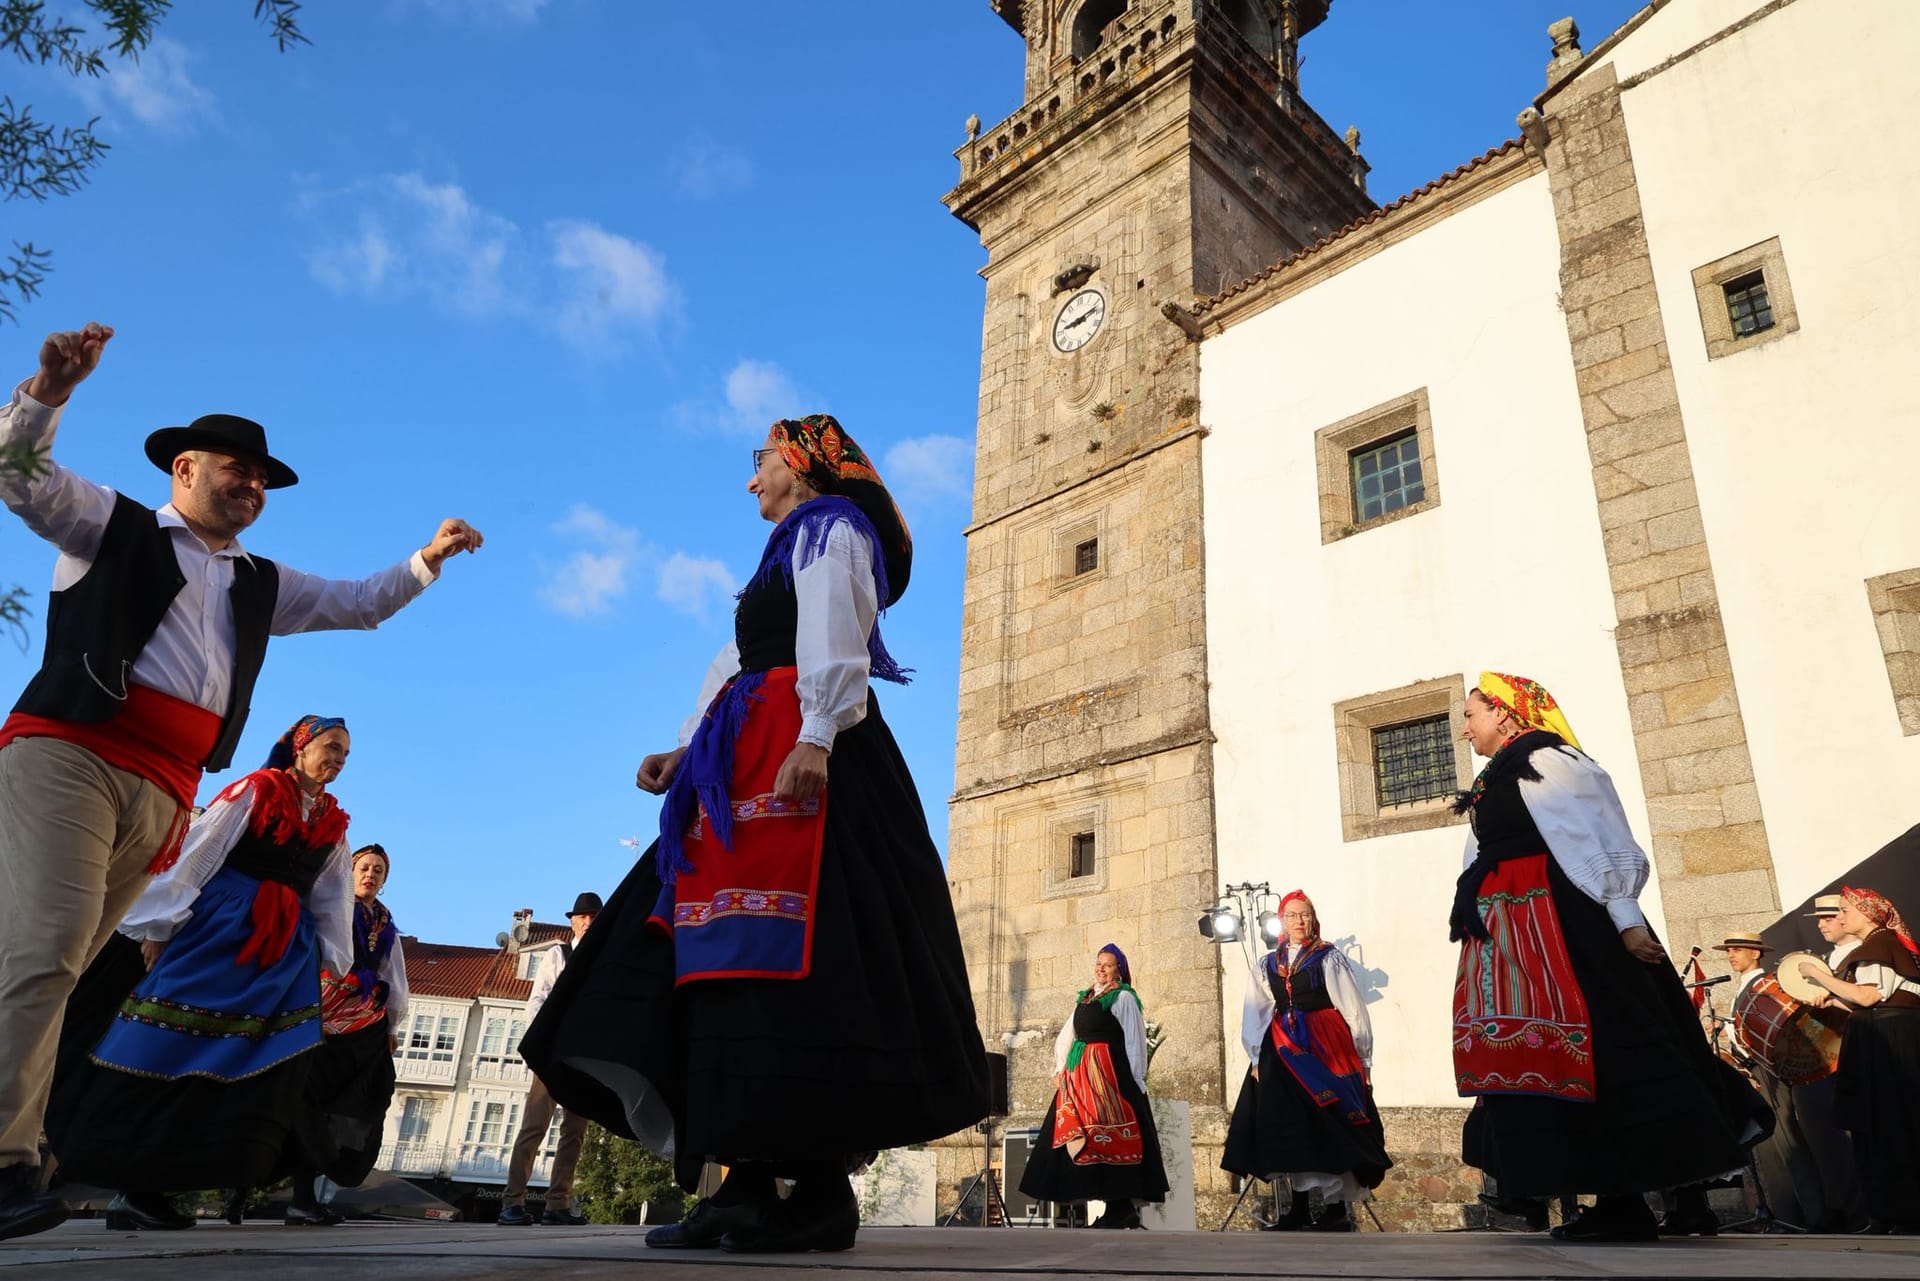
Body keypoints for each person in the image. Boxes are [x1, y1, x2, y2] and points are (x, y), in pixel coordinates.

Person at [0, 323, 481, 1242]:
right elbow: (18, 472)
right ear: (184, 468)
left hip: (165, 784)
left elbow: (357, 602)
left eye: (263, 478)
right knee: (47, 952)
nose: (253, 485)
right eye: (237, 468)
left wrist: (427, 558)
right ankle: (5, 1161)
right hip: (73, 752)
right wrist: (49, 393)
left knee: (60, 970)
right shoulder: (114, 524)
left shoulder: (258, 581)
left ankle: (26, 1150)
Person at [519, 415, 989, 1254]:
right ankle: (741, 1184)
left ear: (802, 464)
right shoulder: (783, 551)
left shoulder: (831, 530)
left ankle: (811, 1191)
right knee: (722, 959)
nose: (751, 479)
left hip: (799, 754)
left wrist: (816, 736)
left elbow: (832, 641)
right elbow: (742, 657)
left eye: (761, 461)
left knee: (800, 960)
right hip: (744, 755)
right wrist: (684, 741)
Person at [1449, 672, 1769, 1243]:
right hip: (1522, 928)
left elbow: (1595, 835)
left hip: (1564, 922)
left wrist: (1623, 917)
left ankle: (1634, 1201)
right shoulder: (1497, 775)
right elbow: (1482, 854)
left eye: (1471, 713)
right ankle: (1672, 1197)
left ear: (1504, 713)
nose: (1465, 726)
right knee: (1588, 1049)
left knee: (1613, 1046)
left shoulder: (1546, 762)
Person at [44, 715, 358, 1231]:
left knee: (248, 1060)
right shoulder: (254, 792)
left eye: (346, 753)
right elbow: (198, 855)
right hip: (222, 930)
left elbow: (332, 900)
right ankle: (133, 1186)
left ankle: (161, 1188)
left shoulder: (332, 824)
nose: (339, 759)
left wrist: (329, 963)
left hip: (283, 952)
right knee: (172, 1045)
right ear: (300, 749)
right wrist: (157, 929)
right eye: (332, 747)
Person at [1223, 891, 1389, 1232]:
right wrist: (1255, 1056)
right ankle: (1297, 1208)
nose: (1300, 921)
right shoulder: (1268, 964)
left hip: (1325, 1047)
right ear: (1283, 922)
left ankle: (1336, 1210)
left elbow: (1353, 1009)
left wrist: (1364, 1058)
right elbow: (1255, 1011)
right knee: (1290, 1126)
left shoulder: (1328, 958)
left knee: (1330, 1121)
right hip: (1282, 1052)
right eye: (1293, 915)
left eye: (1306, 915)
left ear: (1313, 919)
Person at [275, 841, 411, 1226]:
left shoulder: (384, 922)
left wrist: (393, 1024)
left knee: (347, 1108)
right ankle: (289, 1196)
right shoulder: (329, 906)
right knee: (308, 1103)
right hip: (321, 1015)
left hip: (365, 1026)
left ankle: (309, 1195)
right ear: (349, 873)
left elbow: (393, 975)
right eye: (364, 867)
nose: (370, 874)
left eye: (378, 871)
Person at [1796, 886, 1920, 1233]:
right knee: (1880, 1126)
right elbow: (1865, 1001)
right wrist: (1829, 999)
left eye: (1847, 910)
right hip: (1880, 1033)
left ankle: (1904, 1210)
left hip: (1892, 1038)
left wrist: (1818, 975)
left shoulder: (1879, 945)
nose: (1841, 915)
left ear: (1867, 914)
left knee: (1892, 1123)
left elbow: (1868, 997)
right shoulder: (1877, 946)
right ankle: (1891, 1209)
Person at [1019, 944, 1167, 1229]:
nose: (1100, 968)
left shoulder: (1123, 998)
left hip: (1111, 1078)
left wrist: (1136, 1080)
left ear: (1119, 971)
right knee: (1084, 1136)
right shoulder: (1085, 999)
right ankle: (1115, 1208)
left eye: (1107, 965)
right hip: (1081, 1078)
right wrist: (1061, 1068)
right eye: (1098, 963)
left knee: (1111, 1138)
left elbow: (1134, 1040)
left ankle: (1121, 1207)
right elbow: (1067, 1035)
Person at [497, 892, 601, 1227]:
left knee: (574, 1132)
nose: (588, 922)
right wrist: (539, 1045)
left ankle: (558, 1203)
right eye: (583, 916)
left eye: (594, 917)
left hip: (584, 1056)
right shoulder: (558, 953)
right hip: (553, 1052)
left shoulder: (602, 958)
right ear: (572, 920)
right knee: (534, 1126)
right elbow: (537, 999)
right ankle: (512, 1202)